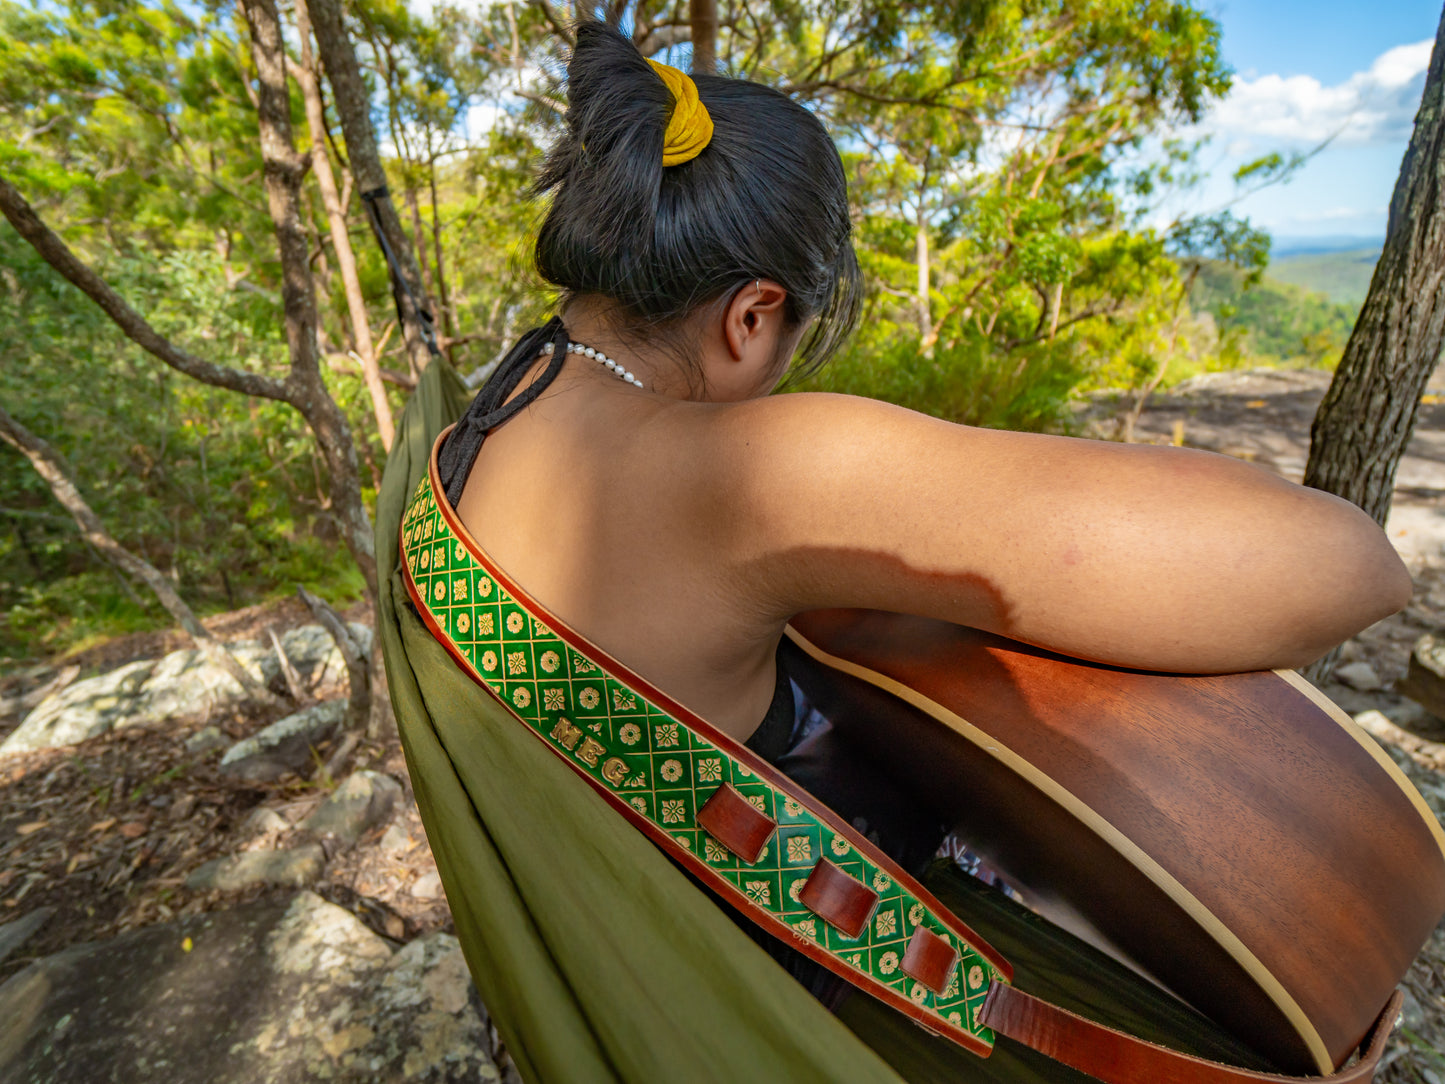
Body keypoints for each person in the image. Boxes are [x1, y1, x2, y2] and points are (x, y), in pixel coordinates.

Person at [384, 18, 1413, 1082]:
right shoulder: (735, 474)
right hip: (813, 1023)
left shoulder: (488, 423)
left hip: (647, 995)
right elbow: (1347, 564)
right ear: (750, 315)